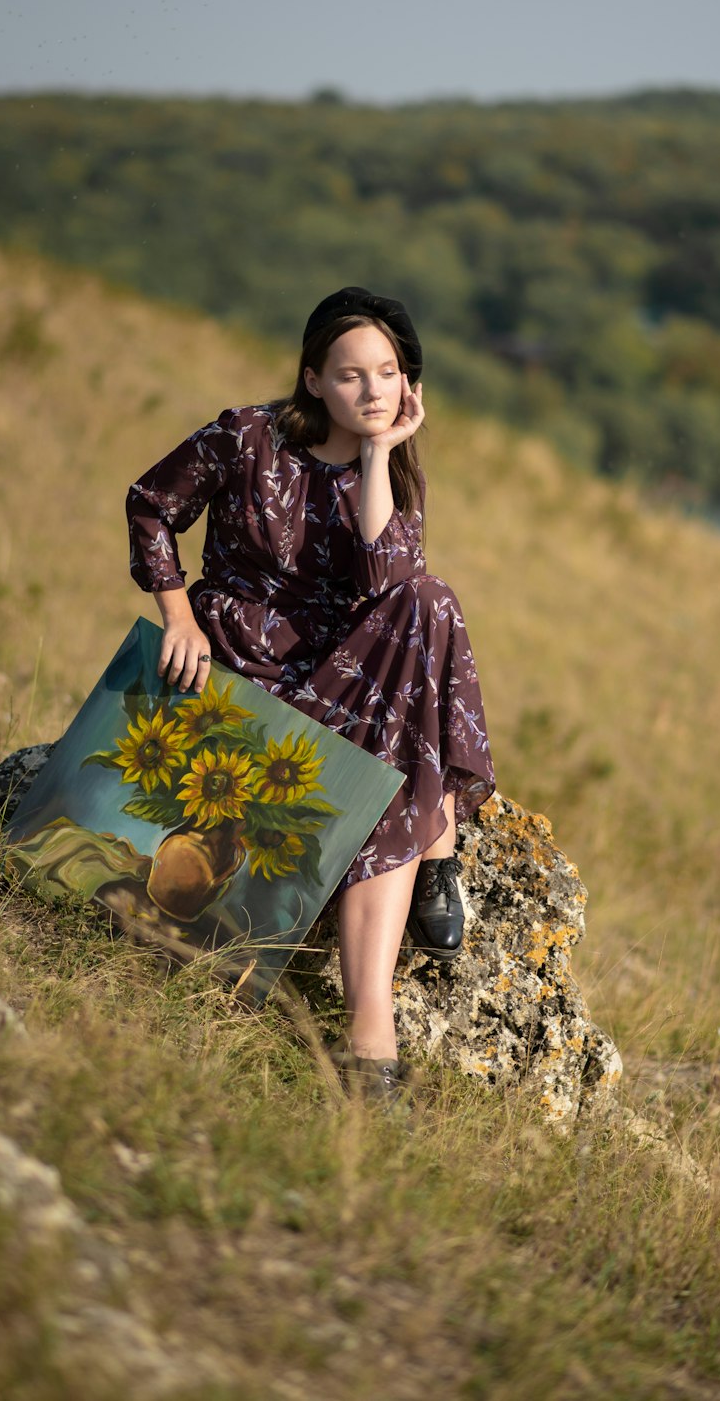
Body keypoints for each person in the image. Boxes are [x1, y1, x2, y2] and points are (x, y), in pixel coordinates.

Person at [126, 287, 494, 1102]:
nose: (373, 392)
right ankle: (434, 846)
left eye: (390, 374)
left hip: (341, 676)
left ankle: (371, 1034)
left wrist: (374, 458)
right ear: (313, 379)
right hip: (249, 676)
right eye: (352, 375)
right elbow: (151, 506)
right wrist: (177, 614)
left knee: (429, 600)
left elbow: (390, 585)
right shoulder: (245, 437)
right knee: (405, 732)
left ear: (410, 385)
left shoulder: (391, 473)